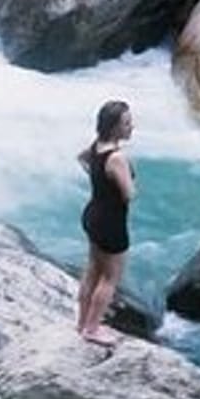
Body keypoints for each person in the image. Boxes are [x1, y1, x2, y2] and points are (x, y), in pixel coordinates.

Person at [76, 99, 136, 347]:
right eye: (127, 123)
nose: (132, 127)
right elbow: (129, 194)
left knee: (92, 270)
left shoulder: (96, 147)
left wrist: (98, 178)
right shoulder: (117, 157)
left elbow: (81, 159)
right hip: (111, 223)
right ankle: (92, 329)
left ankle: (82, 323)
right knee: (110, 278)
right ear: (114, 127)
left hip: (93, 215)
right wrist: (128, 178)